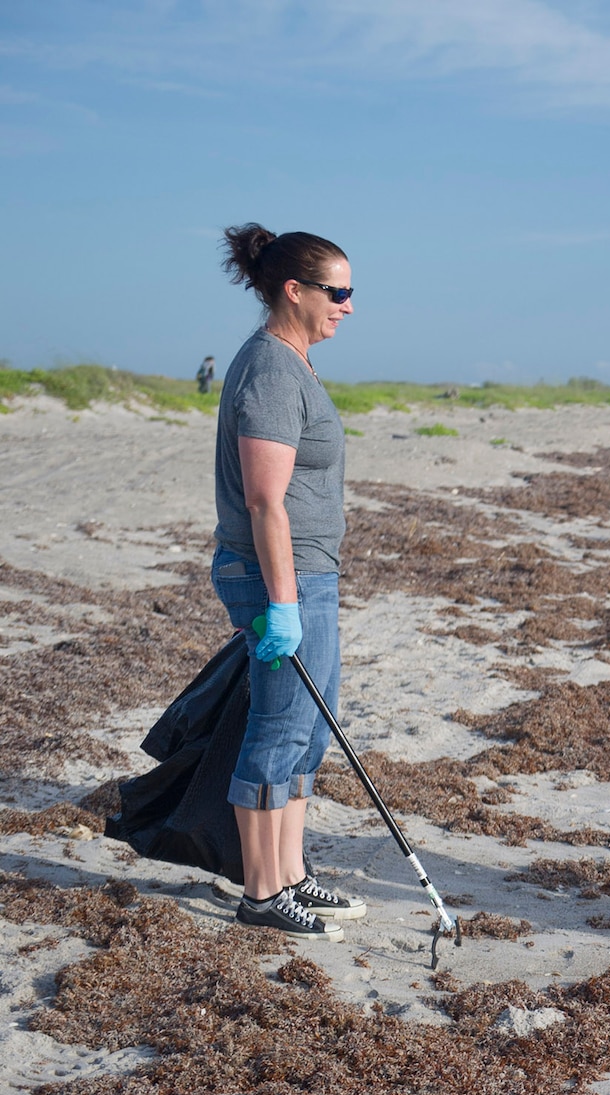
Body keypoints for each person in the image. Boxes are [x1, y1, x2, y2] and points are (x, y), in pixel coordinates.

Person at [210, 222, 369, 941]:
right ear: (293, 290)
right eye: (337, 291)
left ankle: (292, 873)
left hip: (311, 576)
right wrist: (281, 604)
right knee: (277, 730)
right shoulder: (272, 370)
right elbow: (264, 499)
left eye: (351, 291)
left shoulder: (295, 362)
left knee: (308, 729)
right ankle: (261, 891)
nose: (348, 304)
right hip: (284, 577)